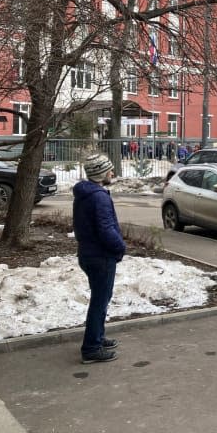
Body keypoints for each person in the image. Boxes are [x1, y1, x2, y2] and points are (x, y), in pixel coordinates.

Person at [73, 154, 126, 364]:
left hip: (88, 253)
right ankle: (91, 348)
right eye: (110, 170)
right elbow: (106, 230)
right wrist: (120, 247)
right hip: (100, 256)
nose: (112, 173)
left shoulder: (85, 194)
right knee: (99, 302)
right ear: (101, 173)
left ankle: (98, 337)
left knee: (100, 299)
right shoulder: (99, 197)